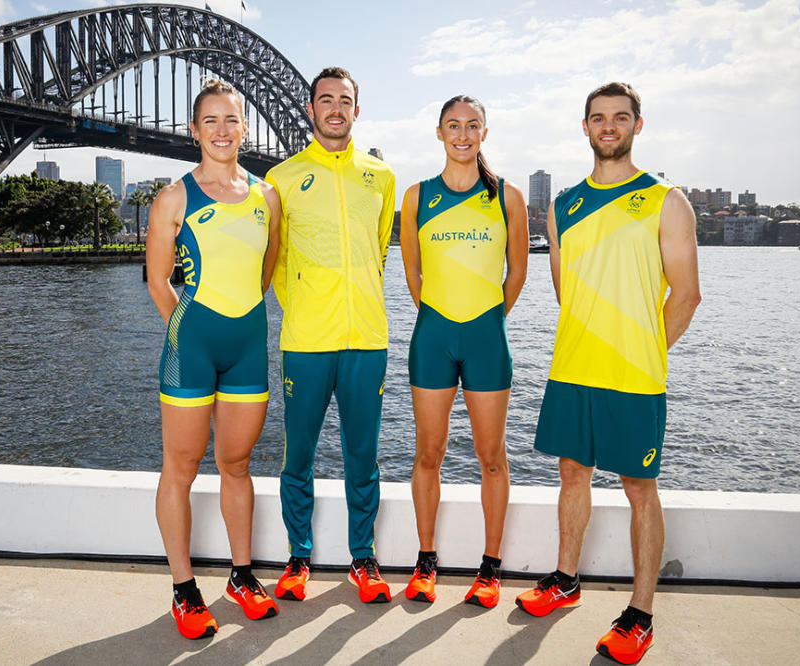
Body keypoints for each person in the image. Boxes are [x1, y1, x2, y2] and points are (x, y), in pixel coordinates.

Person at [514, 82, 701, 665]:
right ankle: (566, 580)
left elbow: (687, 296)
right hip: (573, 368)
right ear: (587, 127)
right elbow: (566, 293)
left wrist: (645, 351)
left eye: (621, 118)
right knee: (573, 474)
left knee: (639, 488)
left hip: (633, 377)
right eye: (599, 118)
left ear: (637, 126)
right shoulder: (563, 204)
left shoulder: (666, 201)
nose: (609, 127)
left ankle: (640, 614)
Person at [145, 79, 282, 640]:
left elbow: (266, 269)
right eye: (212, 120)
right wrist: (189, 330)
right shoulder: (174, 197)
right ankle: (183, 590)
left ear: (245, 128)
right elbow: (157, 283)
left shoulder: (266, 197)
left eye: (232, 120)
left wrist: (237, 317)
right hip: (192, 346)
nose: (223, 130)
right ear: (194, 130)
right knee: (179, 468)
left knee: (238, 465)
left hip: (249, 344)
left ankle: (241, 576)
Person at [266, 67, 396, 604]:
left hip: (367, 337)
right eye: (326, 100)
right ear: (311, 109)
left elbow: (381, 248)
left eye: (345, 100)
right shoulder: (282, 178)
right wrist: (303, 307)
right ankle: (299, 557)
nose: (336, 108)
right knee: (298, 454)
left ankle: (362, 559)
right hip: (306, 340)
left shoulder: (380, 177)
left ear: (357, 111)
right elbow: (275, 260)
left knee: (362, 456)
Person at [398, 95, 528, 608]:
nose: (462, 134)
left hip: (486, 339)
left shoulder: (507, 198)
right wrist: (437, 313)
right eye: (453, 125)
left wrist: (490, 316)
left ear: (484, 133)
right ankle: (426, 561)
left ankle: (490, 568)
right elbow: (412, 271)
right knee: (428, 453)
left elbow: (517, 270)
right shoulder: (417, 196)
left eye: (472, 125)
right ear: (439, 133)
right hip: (432, 338)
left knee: (491, 457)